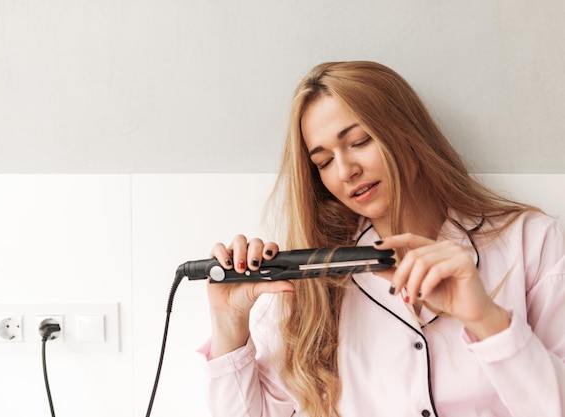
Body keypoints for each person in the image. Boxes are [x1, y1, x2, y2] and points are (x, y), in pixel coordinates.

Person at [199, 61, 565, 417]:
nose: (345, 171)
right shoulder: (312, 283)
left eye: (358, 141)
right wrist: (229, 323)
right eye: (324, 162)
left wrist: (485, 320)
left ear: (407, 132)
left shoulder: (531, 243)